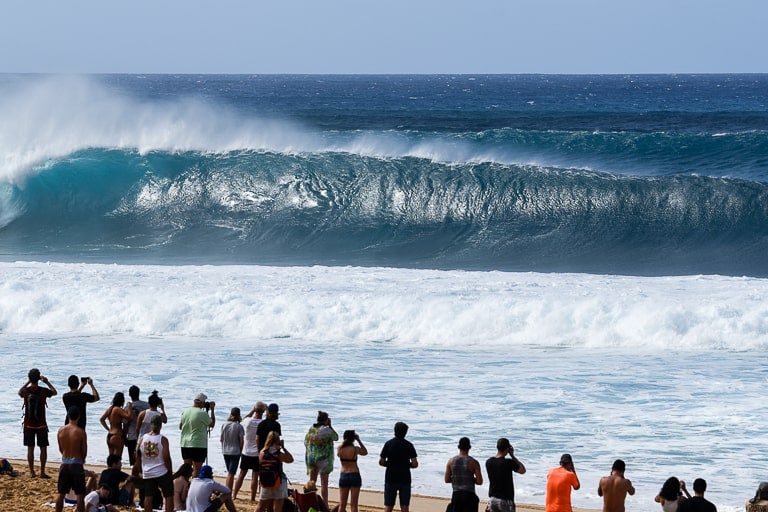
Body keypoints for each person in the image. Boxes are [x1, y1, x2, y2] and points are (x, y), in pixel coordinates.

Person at [18, 367, 57, 478]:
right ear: (39, 378)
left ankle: (31, 472)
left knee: (30, 448)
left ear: (29, 378)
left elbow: (19, 392)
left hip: (28, 424)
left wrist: (28, 382)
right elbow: (55, 392)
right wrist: (47, 382)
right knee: (43, 448)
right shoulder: (43, 391)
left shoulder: (26, 391)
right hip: (41, 424)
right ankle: (42, 472)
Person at [135, 414, 174, 512]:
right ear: (160, 425)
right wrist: (170, 470)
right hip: (162, 471)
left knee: (148, 496)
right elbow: (166, 458)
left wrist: (140, 470)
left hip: (148, 472)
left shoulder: (142, 438)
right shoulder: (163, 440)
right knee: (168, 496)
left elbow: (137, 455)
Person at [379, 421, 418, 512]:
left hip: (390, 477)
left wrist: (389, 464)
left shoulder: (388, 444)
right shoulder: (409, 445)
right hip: (405, 478)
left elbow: (381, 462)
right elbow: (415, 464)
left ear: (395, 431)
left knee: (388, 506)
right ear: (405, 432)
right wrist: (407, 465)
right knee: (404, 506)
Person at [55, 407, 89, 512]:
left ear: (68, 416)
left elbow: (61, 449)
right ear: (78, 416)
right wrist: (81, 459)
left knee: (61, 493)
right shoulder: (80, 432)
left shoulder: (60, 431)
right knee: (80, 495)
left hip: (65, 462)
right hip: (76, 463)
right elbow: (84, 451)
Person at [233, 401, 266, 501]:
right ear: (263, 411)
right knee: (255, 477)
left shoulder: (248, 421)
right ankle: (252, 497)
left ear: (255, 410)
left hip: (246, 451)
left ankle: (234, 494)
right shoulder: (263, 423)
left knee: (242, 474)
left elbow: (244, 418)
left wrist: (253, 409)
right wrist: (266, 409)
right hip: (257, 453)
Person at [304, 411, 339, 504]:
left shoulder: (311, 428)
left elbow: (306, 442)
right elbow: (336, 437)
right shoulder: (326, 429)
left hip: (311, 457)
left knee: (312, 482)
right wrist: (330, 425)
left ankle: (310, 502)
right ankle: (325, 504)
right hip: (323, 458)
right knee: (324, 483)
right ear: (326, 420)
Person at [255, 431, 294, 512]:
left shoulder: (262, 452)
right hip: (278, 482)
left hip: (265, 482)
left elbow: (260, 465)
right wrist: (283, 448)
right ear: (278, 441)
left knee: (261, 506)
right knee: (277, 508)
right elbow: (291, 459)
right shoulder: (278, 454)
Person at [179, 393, 215, 477]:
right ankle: (193, 488)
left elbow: (180, 426)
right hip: (198, 444)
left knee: (186, 468)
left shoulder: (185, 412)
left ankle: (184, 487)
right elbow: (212, 424)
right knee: (197, 469)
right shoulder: (202, 413)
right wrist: (212, 410)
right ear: (201, 403)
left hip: (185, 443)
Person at [485, 438, 526, 512]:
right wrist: (513, 456)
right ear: (508, 448)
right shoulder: (508, 463)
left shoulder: (489, 462)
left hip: (492, 499)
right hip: (505, 500)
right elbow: (523, 470)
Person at [444, 437, 483, 512]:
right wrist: (470, 479)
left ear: (458, 447)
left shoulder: (451, 461)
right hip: (469, 495)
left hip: (456, 494)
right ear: (470, 447)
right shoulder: (474, 462)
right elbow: (479, 481)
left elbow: (447, 479)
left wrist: (457, 479)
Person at [337, 429, 368, 512]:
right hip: (355, 474)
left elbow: (338, 455)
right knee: (354, 504)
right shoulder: (355, 449)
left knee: (342, 504)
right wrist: (359, 440)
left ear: (344, 437)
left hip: (344, 474)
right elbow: (365, 452)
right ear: (353, 438)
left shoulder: (340, 448)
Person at [99, 392, 132, 457]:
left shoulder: (110, 409)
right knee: (117, 458)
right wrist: (129, 407)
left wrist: (108, 429)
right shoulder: (117, 409)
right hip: (117, 435)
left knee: (111, 459)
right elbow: (129, 417)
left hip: (110, 435)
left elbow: (102, 419)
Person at [220, 407, 244, 491]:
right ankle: (228, 491)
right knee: (231, 473)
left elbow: (221, 439)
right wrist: (241, 451)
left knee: (229, 472)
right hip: (235, 451)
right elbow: (241, 441)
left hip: (225, 451)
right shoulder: (239, 426)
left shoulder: (224, 424)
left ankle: (227, 490)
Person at [125, 385, 149, 466]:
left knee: (134, 463)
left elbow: (126, 424)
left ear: (129, 394)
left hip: (132, 437)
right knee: (145, 462)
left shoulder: (127, 407)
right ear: (139, 393)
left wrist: (124, 437)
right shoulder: (147, 405)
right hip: (145, 436)